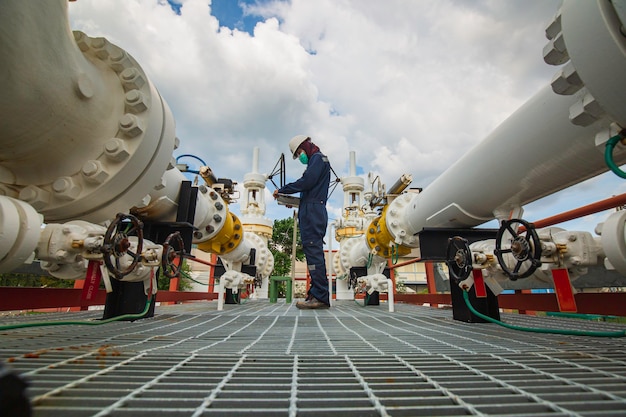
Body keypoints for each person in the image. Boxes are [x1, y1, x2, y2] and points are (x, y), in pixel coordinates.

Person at [273, 135, 331, 309]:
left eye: (299, 153)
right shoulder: (317, 161)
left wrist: (283, 190)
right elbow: (311, 191)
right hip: (311, 210)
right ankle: (316, 293)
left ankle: (320, 296)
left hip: (313, 213)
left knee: (314, 253)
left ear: (305, 146)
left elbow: (307, 182)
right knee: (313, 254)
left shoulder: (317, 159)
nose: (300, 157)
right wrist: (293, 202)